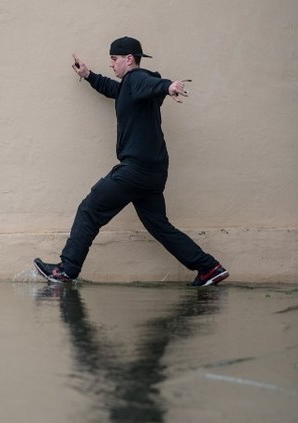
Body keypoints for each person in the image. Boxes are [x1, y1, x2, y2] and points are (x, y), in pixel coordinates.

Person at [34, 37, 229, 287]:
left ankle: (66, 270)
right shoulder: (128, 87)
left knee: (90, 209)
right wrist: (89, 75)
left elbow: (152, 84)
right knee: (158, 225)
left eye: (114, 59)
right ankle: (209, 267)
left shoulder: (136, 79)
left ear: (129, 59)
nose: (112, 65)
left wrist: (169, 87)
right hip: (153, 171)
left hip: (136, 169)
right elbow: (112, 89)